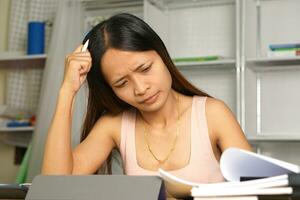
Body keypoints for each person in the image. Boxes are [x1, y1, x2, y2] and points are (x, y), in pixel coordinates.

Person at [42, 13, 251, 184]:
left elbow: (260, 190)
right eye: (122, 83)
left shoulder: (212, 114)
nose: (141, 89)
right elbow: (54, 187)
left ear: (162, 54)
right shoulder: (114, 125)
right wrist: (66, 91)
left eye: (145, 68)